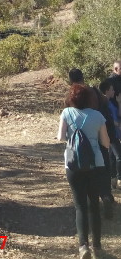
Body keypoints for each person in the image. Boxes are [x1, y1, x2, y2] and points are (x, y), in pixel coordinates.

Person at [58, 83, 110, 259]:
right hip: (95, 164)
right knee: (94, 205)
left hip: (73, 165)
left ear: (71, 98)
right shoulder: (98, 116)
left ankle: (83, 247)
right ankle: (98, 247)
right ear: (89, 98)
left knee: (80, 206)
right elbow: (105, 143)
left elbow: (60, 137)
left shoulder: (66, 113)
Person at [68, 69, 115, 216]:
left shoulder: (72, 94)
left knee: (83, 169)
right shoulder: (94, 91)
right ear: (83, 77)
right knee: (103, 167)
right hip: (101, 133)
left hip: (80, 139)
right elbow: (105, 106)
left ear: (70, 80)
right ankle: (106, 195)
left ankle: (86, 202)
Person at [99, 78, 121, 189]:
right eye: (112, 90)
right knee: (119, 156)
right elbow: (105, 119)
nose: (113, 91)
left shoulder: (111, 103)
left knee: (112, 157)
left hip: (115, 133)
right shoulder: (103, 104)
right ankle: (119, 178)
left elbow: (118, 115)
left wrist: (119, 102)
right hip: (109, 134)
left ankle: (113, 180)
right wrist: (115, 123)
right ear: (107, 90)